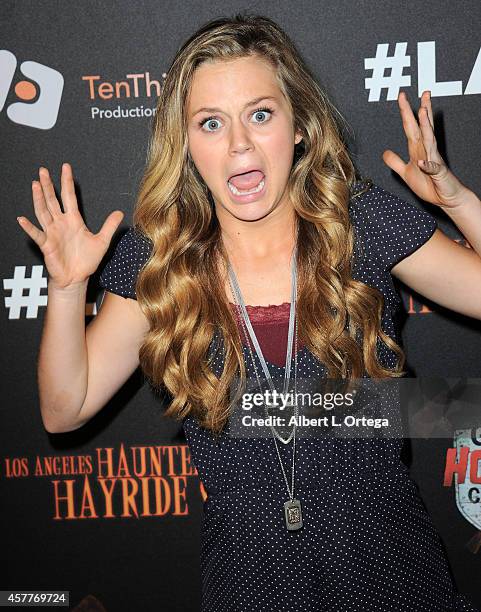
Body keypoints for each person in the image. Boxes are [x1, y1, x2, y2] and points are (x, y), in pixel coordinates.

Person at [17, 13, 481, 612]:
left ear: (298, 127)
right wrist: (65, 287)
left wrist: (457, 200)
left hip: (395, 574)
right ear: (186, 145)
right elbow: (63, 409)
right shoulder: (163, 268)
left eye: (260, 114)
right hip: (252, 585)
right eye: (211, 123)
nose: (239, 143)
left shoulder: (361, 226)